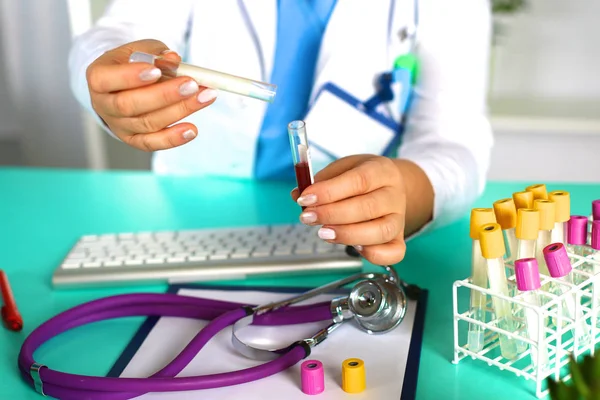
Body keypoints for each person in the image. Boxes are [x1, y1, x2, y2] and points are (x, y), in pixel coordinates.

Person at [68, 0, 494, 267]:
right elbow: (118, 33)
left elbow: (454, 139)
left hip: (341, 246)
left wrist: (407, 191)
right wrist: (110, 74)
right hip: (191, 219)